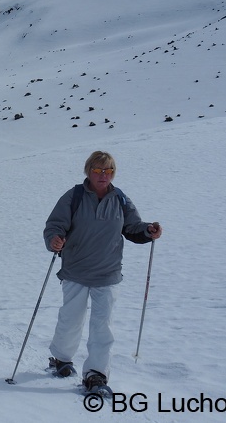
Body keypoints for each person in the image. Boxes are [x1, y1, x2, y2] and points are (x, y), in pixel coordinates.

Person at [43, 151, 162, 391]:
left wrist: (148, 230)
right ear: (88, 171)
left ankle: (96, 373)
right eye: (98, 170)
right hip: (76, 269)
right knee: (71, 320)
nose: (103, 175)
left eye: (108, 171)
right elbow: (55, 225)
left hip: (107, 273)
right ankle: (61, 359)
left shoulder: (120, 199)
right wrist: (55, 239)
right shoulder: (74, 196)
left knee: (102, 326)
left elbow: (132, 227)